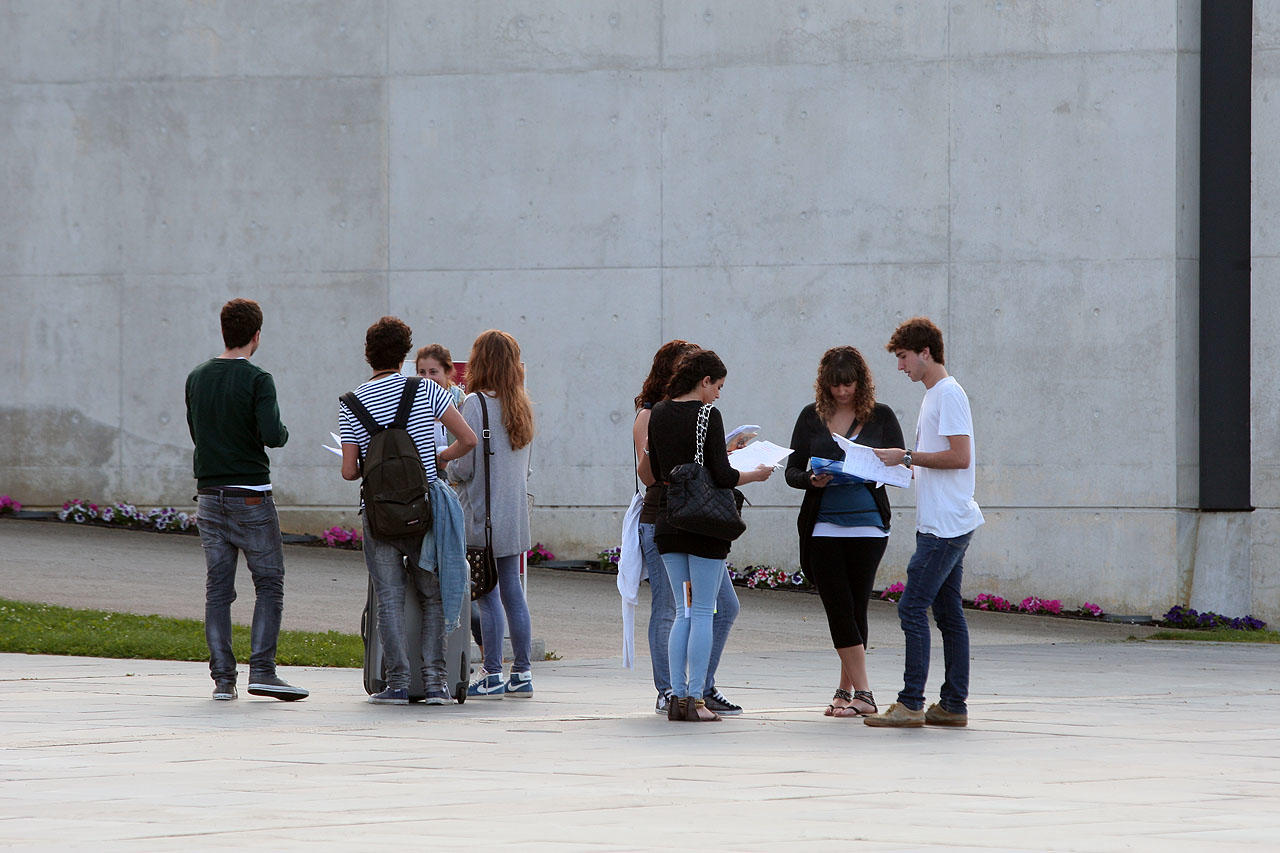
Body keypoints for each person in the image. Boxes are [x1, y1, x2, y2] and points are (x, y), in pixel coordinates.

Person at [340, 317, 477, 705]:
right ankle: (436, 682)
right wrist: (439, 459)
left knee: (389, 597)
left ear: (368, 354)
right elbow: (466, 439)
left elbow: (350, 471)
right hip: (424, 509)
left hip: (379, 515)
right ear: (404, 354)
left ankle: (397, 683)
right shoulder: (428, 391)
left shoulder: (352, 403)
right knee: (432, 594)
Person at [185, 298, 308, 702]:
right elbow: (273, 434)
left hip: (208, 494)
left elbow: (197, 431)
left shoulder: (197, 377)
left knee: (218, 589)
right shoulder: (259, 379)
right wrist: (283, 431)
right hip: (250, 495)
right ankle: (264, 671)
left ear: (224, 331)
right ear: (256, 336)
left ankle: (223, 679)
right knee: (269, 582)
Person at [643, 349, 773, 722]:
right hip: (705, 525)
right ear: (704, 381)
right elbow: (722, 475)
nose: (718, 394)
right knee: (702, 610)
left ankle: (677, 698)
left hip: (669, 519)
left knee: (682, 612)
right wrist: (755, 473)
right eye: (717, 386)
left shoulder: (660, 412)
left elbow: (654, 468)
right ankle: (697, 700)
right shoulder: (706, 415)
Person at [866, 317, 984, 728]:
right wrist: (895, 467)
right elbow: (937, 462)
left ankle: (911, 703)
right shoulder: (933, 395)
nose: (900, 367)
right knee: (948, 614)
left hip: (945, 526)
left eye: (903, 358)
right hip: (943, 521)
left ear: (925, 353)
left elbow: (960, 457)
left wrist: (908, 457)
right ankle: (952, 705)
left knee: (912, 608)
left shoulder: (948, 395)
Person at [786, 346, 903, 718]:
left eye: (848, 385)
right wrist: (811, 479)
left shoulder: (881, 416)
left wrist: (873, 466)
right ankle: (862, 693)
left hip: (869, 524)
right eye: (835, 386)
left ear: (861, 382)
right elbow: (792, 471)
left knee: (855, 607)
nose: (842, 392)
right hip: (822, 525)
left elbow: (900, 465)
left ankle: (850, 692)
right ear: (825, 384)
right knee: (838, 606)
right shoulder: (811, 417)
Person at [448, 330, 536, 700]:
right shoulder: (521, 405)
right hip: (514, 514)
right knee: (513, 593)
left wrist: (445, 465)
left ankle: (493, 671)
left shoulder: (474, 404)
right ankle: (523, 672)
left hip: (482, 515)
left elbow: (464, 467)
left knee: (486, 594)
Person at [415, 343, 483, 655]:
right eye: (421, 372)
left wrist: (443, 461)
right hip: (430, 492)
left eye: (434, 372)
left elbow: (467, 449)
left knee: (460, 573)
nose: (427, 378)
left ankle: (479, 643)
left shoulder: (461, 404)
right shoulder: (414, 400)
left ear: (448, 373)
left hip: (456, 493)